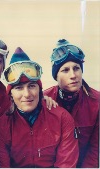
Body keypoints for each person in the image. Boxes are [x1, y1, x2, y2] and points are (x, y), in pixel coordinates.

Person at [0, 47, 79, 168]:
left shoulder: (62, 118)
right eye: (18, 88)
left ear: (40, 90)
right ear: (11, 94)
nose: (27, 94)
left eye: (32, 86)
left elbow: (66, 165)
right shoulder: (1, 127)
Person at [44, 39, 99, 168]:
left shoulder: (97, 102)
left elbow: (95, 149)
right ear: (56, 76)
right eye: (65, 70)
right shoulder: (43, 99)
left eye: (76, 68)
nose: (73, 75)